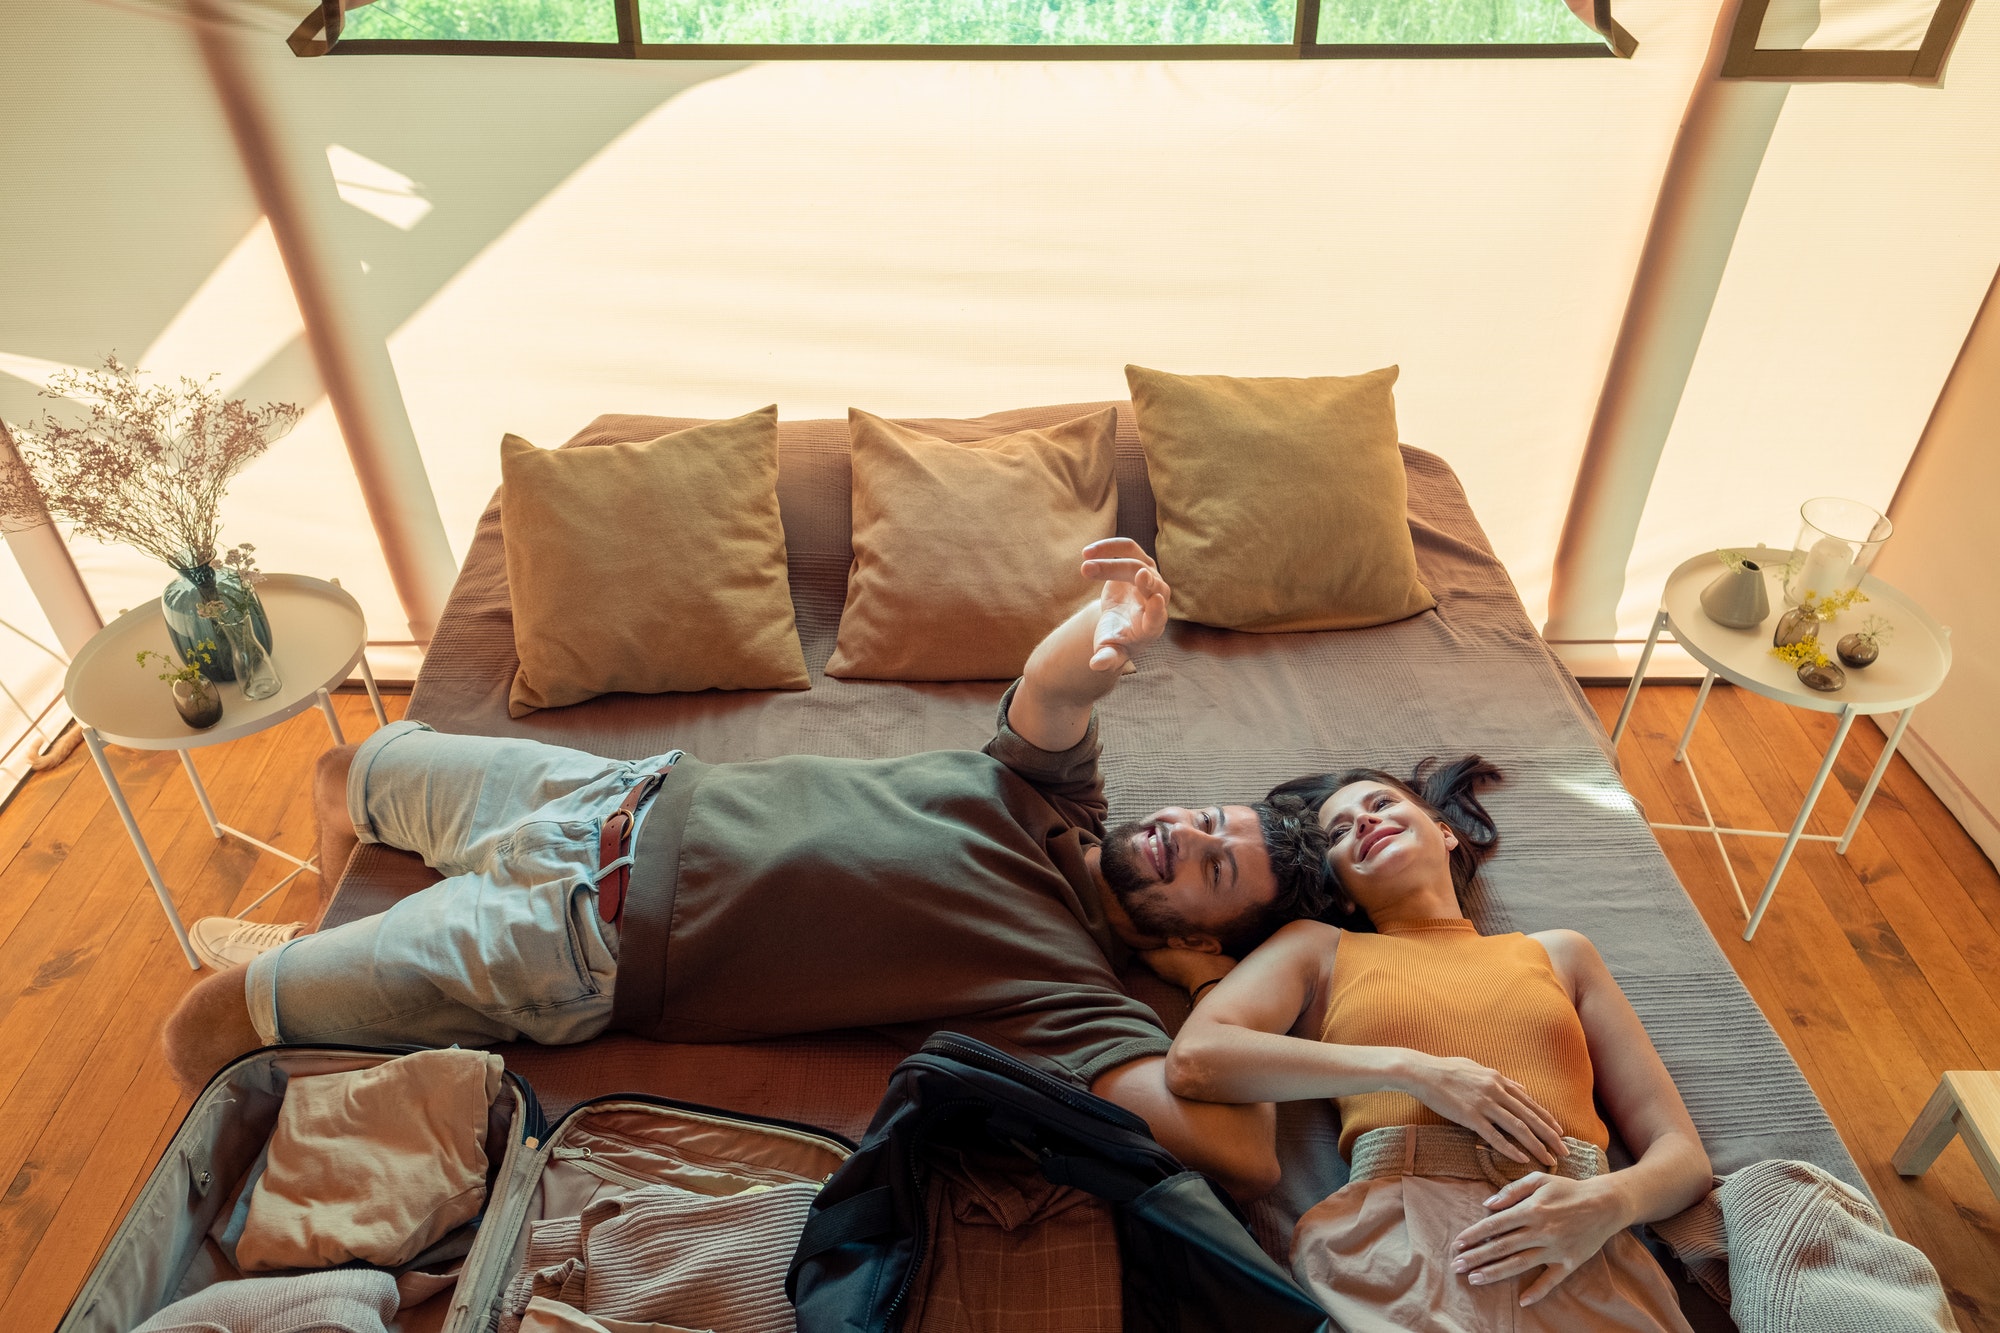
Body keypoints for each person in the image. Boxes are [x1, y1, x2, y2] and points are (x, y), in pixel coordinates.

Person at [161, 539, 1330, 1199]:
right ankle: (328, 961)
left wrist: (1252, 977)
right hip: (603, 791)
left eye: (1212, 867)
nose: (1187, 831)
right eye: (1204, 817)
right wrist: (1115, 621)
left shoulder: (1071, 996)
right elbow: (1061, 681)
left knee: (206, 1026)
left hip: (576, 939)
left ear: (1196, 940)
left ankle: (313, 992)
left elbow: (1239, 1153)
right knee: (340, 774)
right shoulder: (1057, 797)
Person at [1156, 758, 1712, 1329]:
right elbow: (1199, 1058)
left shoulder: (1562, 953)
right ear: (1341, 890)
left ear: (1445, 832)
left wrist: (1608, 1203)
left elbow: (1683, 1157)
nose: (1364, 824)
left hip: (1579, 1240)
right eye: (1340, 832)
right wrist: (1414, 1071)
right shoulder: (1319, 949)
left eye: (1380, 805)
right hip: (1397, 1246)